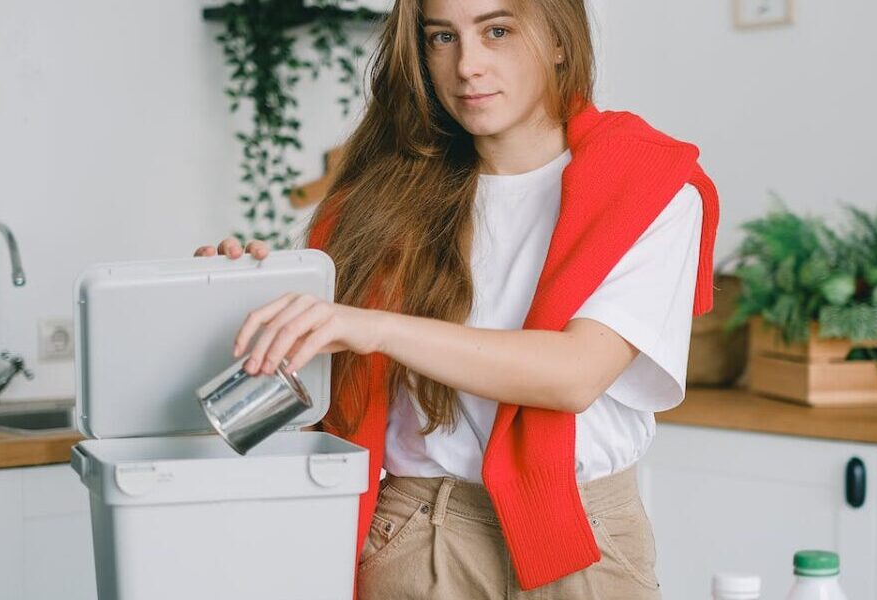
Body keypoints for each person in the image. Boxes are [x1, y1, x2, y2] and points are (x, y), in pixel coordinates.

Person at [194, 0, 719, 597]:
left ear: (559, 41)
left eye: (497, 31)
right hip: (417, 531)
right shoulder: (376, 202)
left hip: (583, 541)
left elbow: (574, 375)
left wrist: (374, 327)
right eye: (443, 37)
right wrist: (235, 318)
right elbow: (307, 408)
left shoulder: (650, 186)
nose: (467, 65)